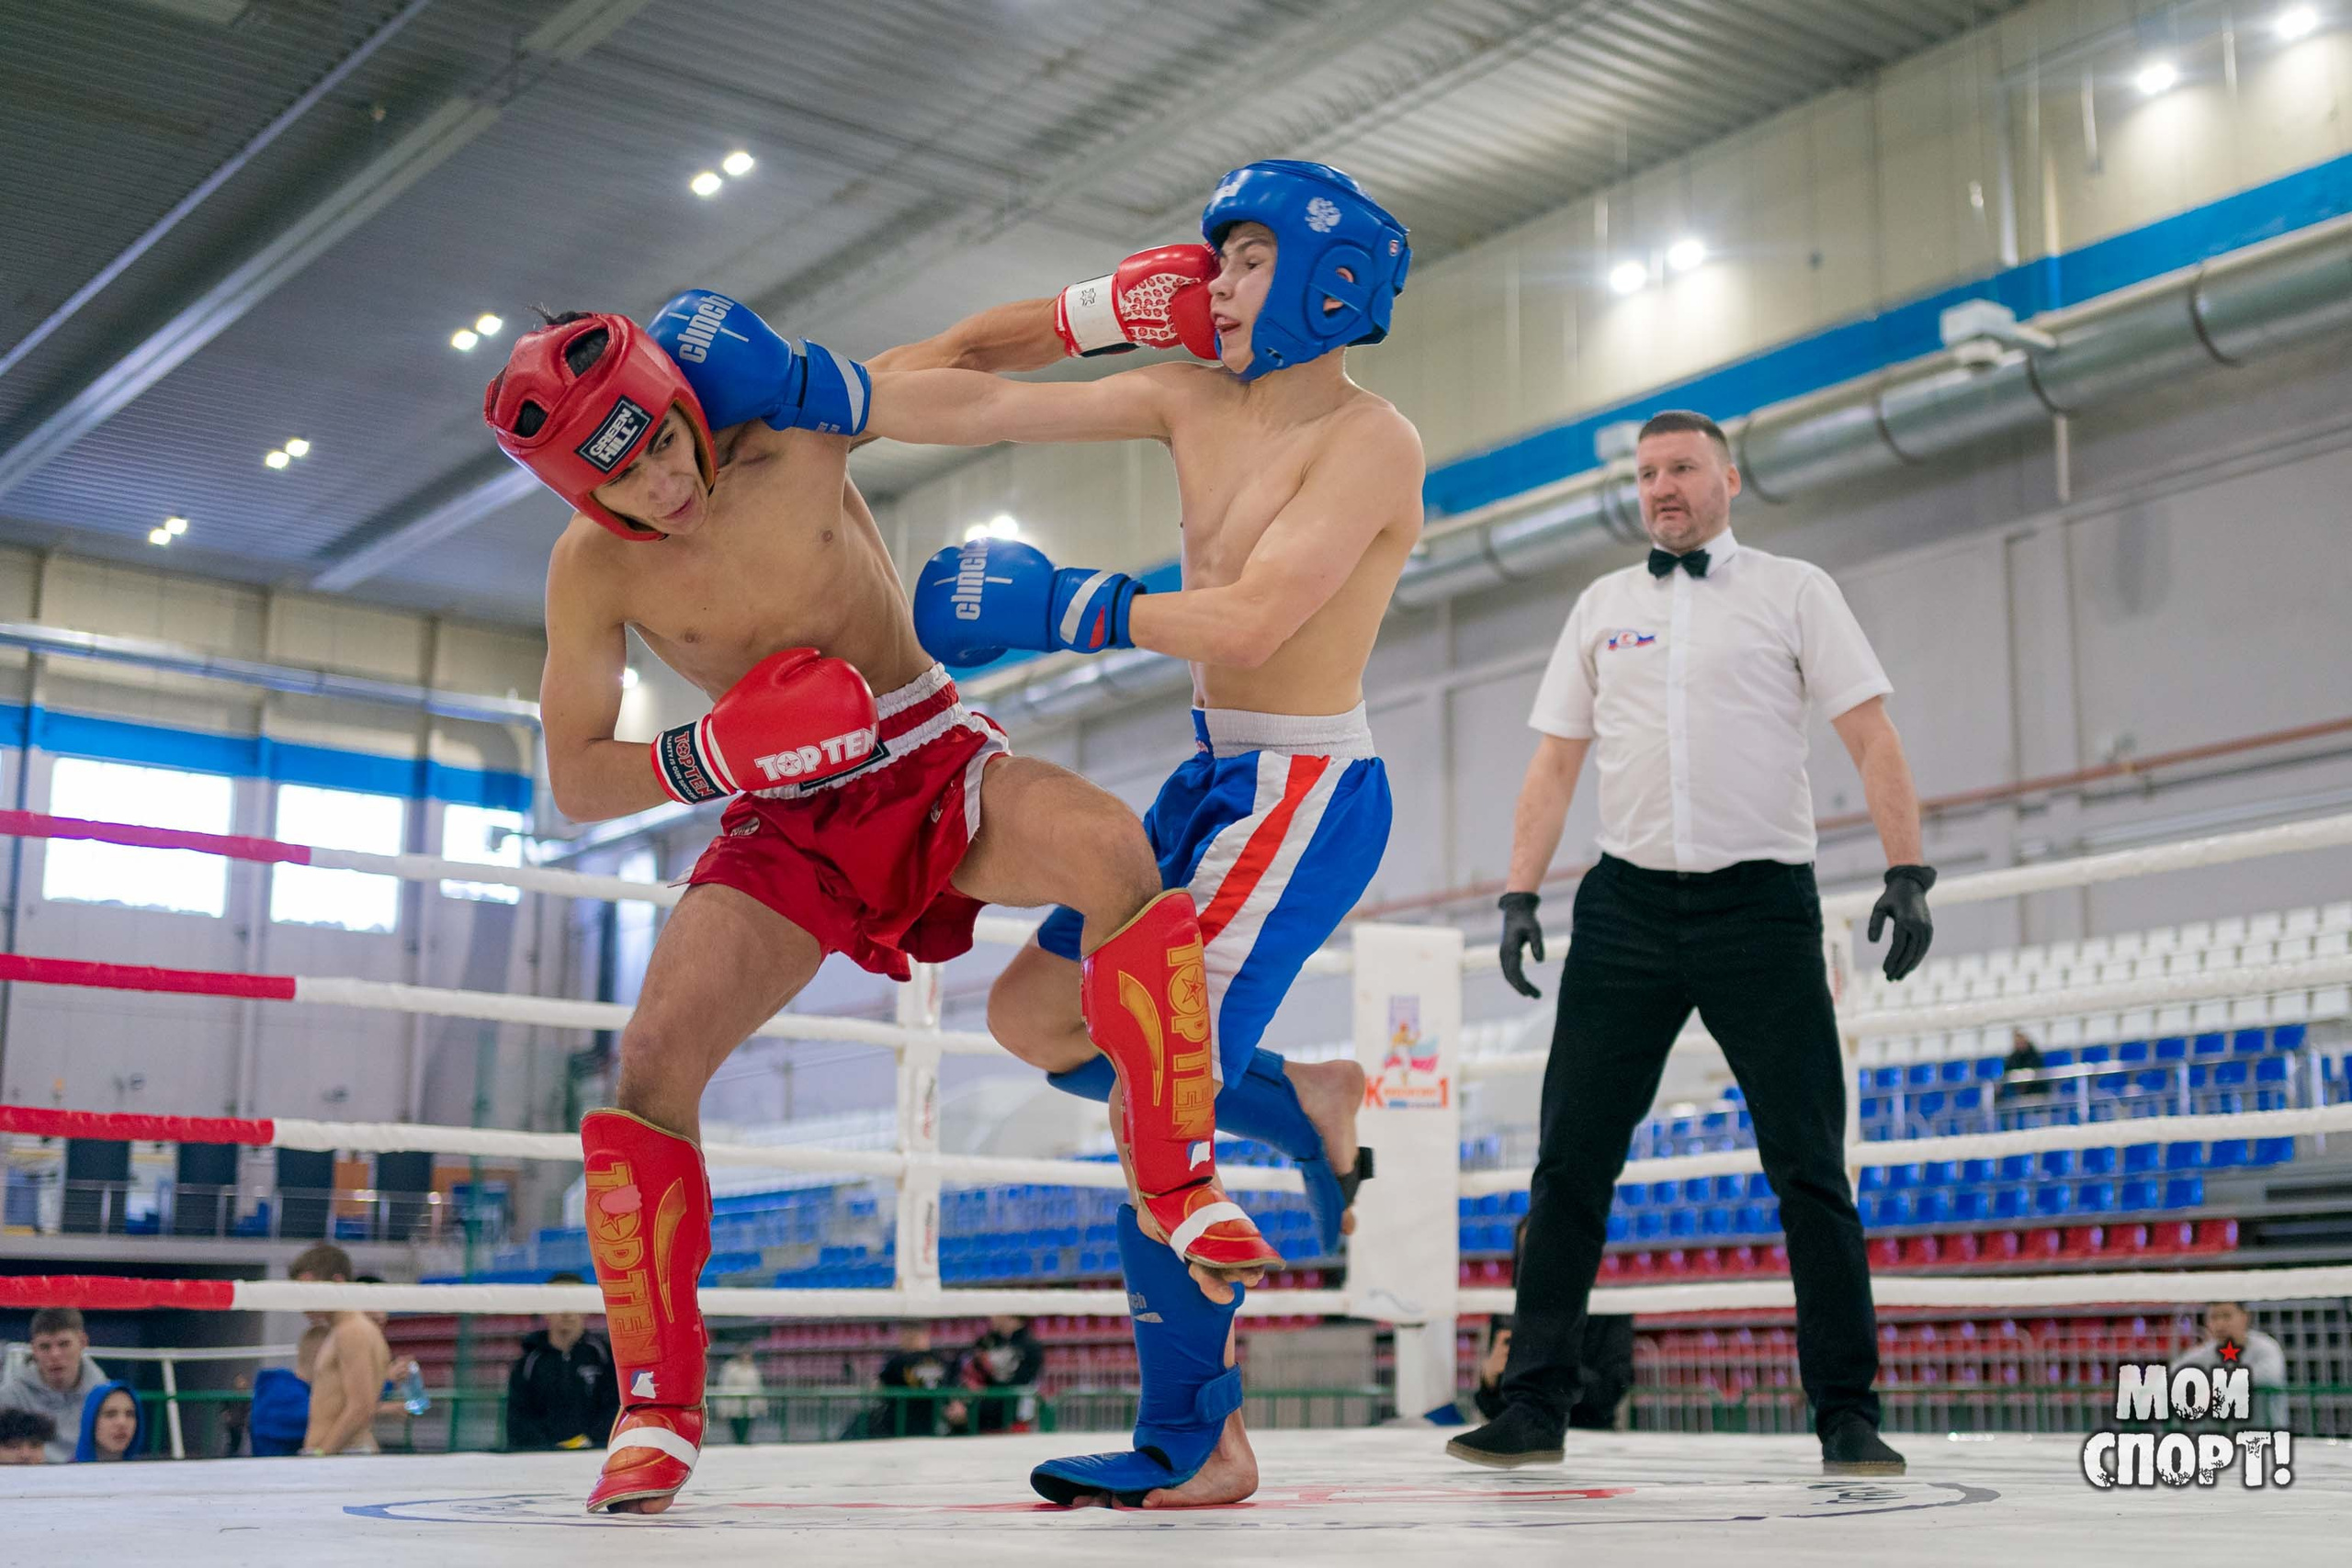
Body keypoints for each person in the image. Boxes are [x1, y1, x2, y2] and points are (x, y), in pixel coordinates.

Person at [484, 285, 1283, 1515]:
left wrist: (1109, 302)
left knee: (1113, 847)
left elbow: (957, 357)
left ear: (680, 401)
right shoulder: (589, 570)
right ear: (580, 493)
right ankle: (654, 1399)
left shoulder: (795, 433)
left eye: (660, 440)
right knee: (650, 1058)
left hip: (926, 745)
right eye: (623, 477)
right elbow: (576, 776)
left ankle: (1178, 1179)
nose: (659, 482)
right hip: (780, 810)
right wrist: (713, 754)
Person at [857, 159, 1422, 1508]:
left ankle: (1199, 1437)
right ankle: (1303, 1098)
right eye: (1211, 260)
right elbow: (960, 394)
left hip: (1302, 793)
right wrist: (831, 394)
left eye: (1245, 261)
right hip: (1210, 777)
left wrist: (1072, 606)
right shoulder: (1184, 392)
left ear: (1329, 278)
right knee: (1033, 1016)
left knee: (1148, 1085)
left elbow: (1254, 618)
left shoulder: (1372, 441)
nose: (1214, 285)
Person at [1455, 409, 1933, 1477]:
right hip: (1622, 908)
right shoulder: (1601, 605)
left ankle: (1847, 1416)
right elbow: (1552, 766)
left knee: (1809, 1165)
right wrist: (1518, 895)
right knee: (1569, 1163)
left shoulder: (1795, 590)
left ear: (1727, 477)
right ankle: (1532, 1405)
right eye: (1645, 474)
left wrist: (1907, 870)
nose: (1661, 487)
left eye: (1679, 469)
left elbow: (1869, 732)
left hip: (1762, 905)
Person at [288, 1243, 390, 1457]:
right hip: (338, 1456)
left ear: (337, 1282)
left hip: (342, 1457)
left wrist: (321, 1455)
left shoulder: (351, 1331)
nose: (303, 1303)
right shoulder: (342, 1331)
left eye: (309, 1291)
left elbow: (362, 1407)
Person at [505, 1272, 619, 1451]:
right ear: (545, 1309)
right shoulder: (526, 1364)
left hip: (595, 1454)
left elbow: (615, 1409)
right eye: (559, 1302)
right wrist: (549, 1449)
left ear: (587, 1308)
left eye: (575, 1302)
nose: (567, 1312)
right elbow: (519, 1418)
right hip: (540, 1460)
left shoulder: (605, 1357)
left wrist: (588, 1441)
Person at [0, 1306, 107, 1463]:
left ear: (83, 1342)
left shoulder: (106, 1396)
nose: (55, 1355)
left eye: (64, 1344)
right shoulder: (8, 1397)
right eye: (45, 1347)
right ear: (33, 1349)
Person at [2172, 1301, 2289, 1427]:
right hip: (2218, 1442)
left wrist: (2214, 1387)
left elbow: (2268, 1376)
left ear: (2245, 1317)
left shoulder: (2266, 1348)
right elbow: (2174, 1373)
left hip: (2264, 1439)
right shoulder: (2204, 1354)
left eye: (2227, 1316)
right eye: (2214, 1317)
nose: (2220, 1324)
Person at [849, 1322, 961, 1439]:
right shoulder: (943, 1362)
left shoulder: (898, 1362)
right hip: (932, 1431)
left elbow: (876, 1389)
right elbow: (952, 1399)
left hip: (898, 1431)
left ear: (909, 1334)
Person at [963, 1314, 1044, 1434]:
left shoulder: (1030, 1346)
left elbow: (1022, 1380)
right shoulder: (988, 1341)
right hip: (983, 1414)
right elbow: (969, 1370)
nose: (992, 1317)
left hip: (1013, 1415)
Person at [71, 1382, 143, 1462]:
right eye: (110, 1414)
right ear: (91, 1421)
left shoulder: (146, 1471)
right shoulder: (66, 1472)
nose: (122, 1423)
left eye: (130, 1414)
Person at [715, 1348, 764, 1446]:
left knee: (747, 1432)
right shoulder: (730, 1369)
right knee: (737, 1433)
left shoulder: (753, 1370)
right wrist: (722, 1408)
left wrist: (761, 1405)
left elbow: (758, 1387)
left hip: (750, 1408)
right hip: (735, 1408)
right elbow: (725, 1387)